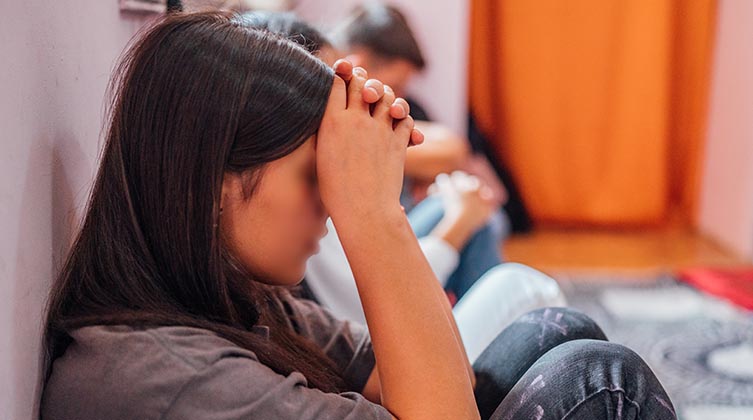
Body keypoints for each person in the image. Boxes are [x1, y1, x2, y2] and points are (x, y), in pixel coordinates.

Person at [42, 11, 677, 419]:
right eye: (313, 176)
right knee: (603, 382)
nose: (329, 200)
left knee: (558, 327)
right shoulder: (169, 381)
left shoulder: (239, 297)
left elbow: (406, 377)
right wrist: (374, 215)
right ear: (215, 182)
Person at [240, 12, 566, 357]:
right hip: (379, 335)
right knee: (527, 288)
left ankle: (470, 344)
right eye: (334, 95)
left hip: (376, 323)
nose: (356, 101)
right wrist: (455, 225)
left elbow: (453, 147)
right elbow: (363, 298)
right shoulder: (301, 189)